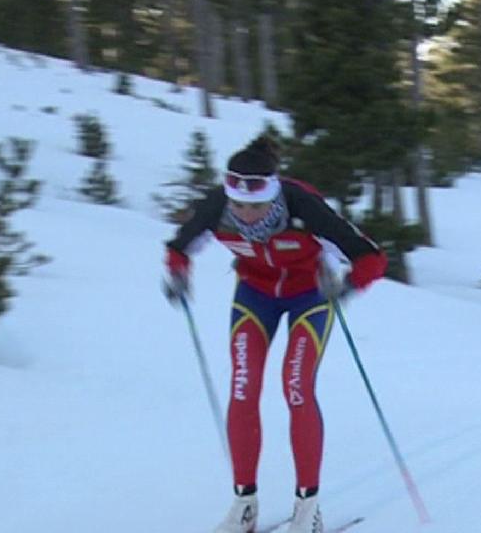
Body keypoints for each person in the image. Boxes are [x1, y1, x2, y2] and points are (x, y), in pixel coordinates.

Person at [162, 135, 388, 533]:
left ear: (273, 196)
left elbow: (371, 256)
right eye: (238, 206)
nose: (246, 216)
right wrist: (178, 274)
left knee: (296, 386)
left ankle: (307, 507)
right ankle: (244, 503)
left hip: (310, 295)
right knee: (243, 388)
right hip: (255, 296)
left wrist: (349, 284)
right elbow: (179, 247)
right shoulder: (218, 207)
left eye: (256, 206)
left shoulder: (303, 206)